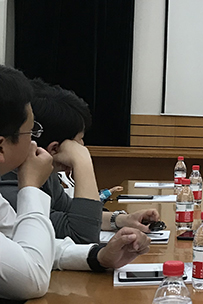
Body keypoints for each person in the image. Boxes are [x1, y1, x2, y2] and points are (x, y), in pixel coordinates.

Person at [0, 65, 150, 300]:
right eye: (30, 132)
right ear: (2, 146)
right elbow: (31, 278)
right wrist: (30, 188)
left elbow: (29, 246)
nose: (34, 142)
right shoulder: (12, 183)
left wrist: (98, 257)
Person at [0, 79, 160, 244]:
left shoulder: (41, 168)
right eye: (80, 140)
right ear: (54, 149)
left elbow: (70, 212)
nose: (82, 146)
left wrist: (121, 220)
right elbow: (81, 235)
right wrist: (82, 161)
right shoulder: (9, 182)